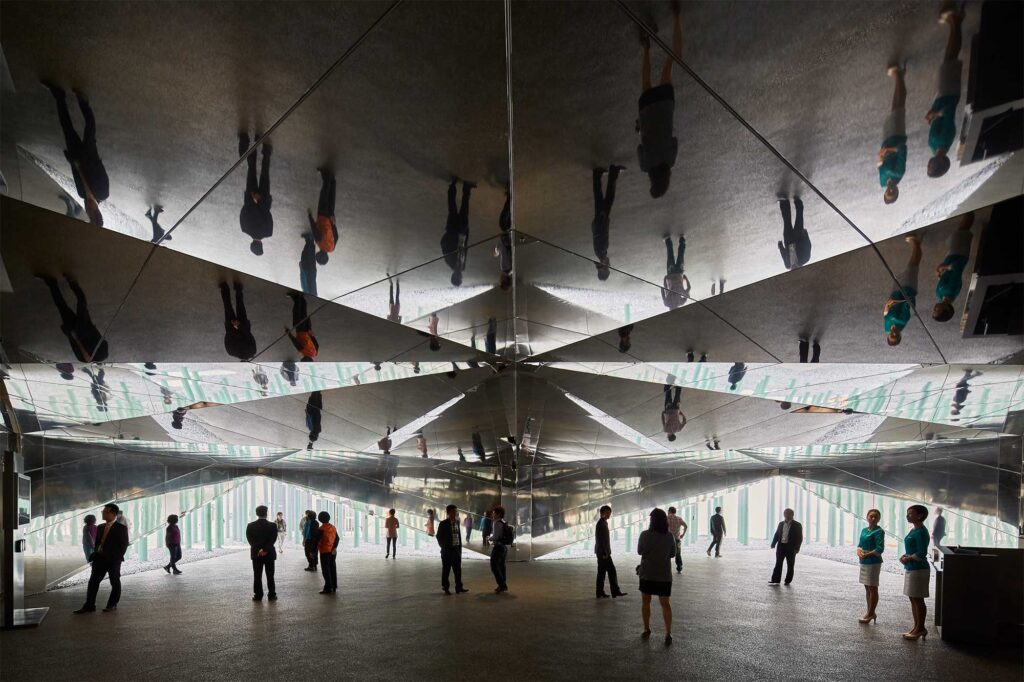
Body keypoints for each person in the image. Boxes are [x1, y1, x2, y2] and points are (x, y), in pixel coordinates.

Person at [42, 84, 108, 226]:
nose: (87, 211)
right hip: (90, 155)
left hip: (77, 156)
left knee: (66, 126)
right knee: (89, 127)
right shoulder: (102, 193)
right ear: (95, 213)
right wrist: (86, 159)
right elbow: (100, 170)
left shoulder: (82, 194)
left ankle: (59, 96)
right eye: (90, 215)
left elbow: (76, 173)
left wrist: (72, 161)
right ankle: (83, 102)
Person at [636, 5, 682, 199]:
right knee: (646, 80)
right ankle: (646, 47)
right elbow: (640, 147)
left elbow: (674, 140)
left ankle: (677, 16)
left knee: (671, 62)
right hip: (646, 110)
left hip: (664, 106)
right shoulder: (645, 165)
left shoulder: (670, 161)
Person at [926, 6, 964, 179]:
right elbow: (948, 112)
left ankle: (954, 23)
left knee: (947, 60)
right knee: (952, 59)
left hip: (941, 97)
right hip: (950, 94)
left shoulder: (935, 148)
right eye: (932, 167)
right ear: (941, 164)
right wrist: (936, 113)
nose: (929, 164)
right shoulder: (947, 139)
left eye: (928, 168)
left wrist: (932, 117)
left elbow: (938, 120)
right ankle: (955, 22)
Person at [74, 503, 129, 613]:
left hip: (113, 560)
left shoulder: (121, 528)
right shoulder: (100, 527)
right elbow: (98, 543)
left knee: (115, 582)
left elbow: (123, 545)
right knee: (93, 582)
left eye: (106, 512)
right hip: (99, 559)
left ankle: (112, 604)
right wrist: (95, 555)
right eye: (102, 512)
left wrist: (115, 558)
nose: (103, 513)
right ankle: (89, 605)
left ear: (113, 513)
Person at [39, 275, 109, 362]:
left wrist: (73, 336)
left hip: (77, 329)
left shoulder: (86, 359)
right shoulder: (101, 355)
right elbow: (102, 340)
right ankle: (71, 284)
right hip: (83, 328)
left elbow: (76, 345)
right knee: (78, 304)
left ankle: (53, 283)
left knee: (64, 305)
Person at [637, 508, 676, 646]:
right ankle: (668, 633)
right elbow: (672, 554)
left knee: (646, 602)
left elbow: (639, 551)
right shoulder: (669, 536)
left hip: (647, 573)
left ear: (652, 520)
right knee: (665, 604)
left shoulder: (644, 534)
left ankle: (647, 629)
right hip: (664, 575)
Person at [933, 212, 974, 322]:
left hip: (950, 257)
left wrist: (939, 274)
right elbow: (956, 268)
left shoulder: (940, 295)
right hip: (959, 256)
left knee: (960, 232)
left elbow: (943, 279)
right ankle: (971, 210)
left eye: (934, 311)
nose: (934, 309)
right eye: (937, 311)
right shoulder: (952, 291)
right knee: (963, 230)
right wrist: (944, 267)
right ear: (946, 309)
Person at [884, 235, 923, 346]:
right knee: (913, 266)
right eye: (896, 336)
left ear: (888, 335)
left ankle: (916, 245)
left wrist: (886, 306)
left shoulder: (887, 328)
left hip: (895, 292)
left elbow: (886, 315)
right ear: (900, 336)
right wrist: (896, 302)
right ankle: (916, 243)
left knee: (907, 269)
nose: (893, 334)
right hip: (908, 289)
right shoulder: (903, 321)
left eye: (891, 336)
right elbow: (910, 303)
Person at [238, 132, 273, 255]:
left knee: (265, 173)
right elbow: (243, 211)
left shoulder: (268, 232)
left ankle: (266, 149)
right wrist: (252, 200)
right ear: (252, 244)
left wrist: (260, 201)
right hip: (250, 196)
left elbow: (268, 214)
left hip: (264, 199)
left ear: (261, 245)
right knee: (251, 169)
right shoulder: (244, 228)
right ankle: (252, 144)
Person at [900, 505, 931, 640]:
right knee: (912, 597)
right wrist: (905, 556)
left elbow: (922, 553)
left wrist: (909, 558)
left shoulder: (921, 532)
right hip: (911, 568)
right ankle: (917, 627)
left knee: (918, 599)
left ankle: (920, 628)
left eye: (910, 514)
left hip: (919, 569)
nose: (907, 516)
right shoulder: (914, 530)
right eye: (907, 513)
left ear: (919, 515)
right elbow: (912, 550)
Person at [878, 63, 908, 204]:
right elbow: (903, 148)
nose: (890, 191)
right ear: (897, 191)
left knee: (894, 108)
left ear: (884, 192)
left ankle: (899, 77)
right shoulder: (899, 173)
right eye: (893, 193)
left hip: (886, 140)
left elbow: (880, 165)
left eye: (888, 194)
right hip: (897, 136)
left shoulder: (882, 182)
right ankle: (899, 75)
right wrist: (889, 150)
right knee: (899, 107)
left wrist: (880, 157)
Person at [592, 165, 626, 280]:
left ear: (603, 268)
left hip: (601, 219)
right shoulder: (601, 253)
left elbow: (599, 233)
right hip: (600, 219)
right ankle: (599, 174)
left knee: (608, 196)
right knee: (600, 197)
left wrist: (602, 218)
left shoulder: (601, 251)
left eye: (607, 268)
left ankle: (611, 172)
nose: (609, 265)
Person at [441, 179, 475, 286]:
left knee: (453, 207)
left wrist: (450, 233)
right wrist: (466, 234)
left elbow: (443, 243)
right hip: (462, 232)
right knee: (465, 208)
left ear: (454, 276)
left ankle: (452, 186)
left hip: (453, 229)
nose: (461, 276)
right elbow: (465, 249)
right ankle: (466, 188)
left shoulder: (449, 261)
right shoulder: (462, 266)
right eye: (461, 278)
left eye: (459, 278)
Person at [856, 508, 885, 624]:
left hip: (873, 562)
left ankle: (871, 612)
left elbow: (880, 548)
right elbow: (859, 545)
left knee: (873, 587)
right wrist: (859, 551)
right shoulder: (864, 530)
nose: (873, 518)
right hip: (864, 561)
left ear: (879, 519)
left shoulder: (879, 531)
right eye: (871, 516)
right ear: (867, 516)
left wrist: (867, 554)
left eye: (875, 517)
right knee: (867, 587)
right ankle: (869, 611)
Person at [246, 505, 278, 602]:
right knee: (270, 575)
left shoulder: (250, 526)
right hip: (269, 554)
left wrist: (259, 550)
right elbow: (273, 539)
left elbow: (250, 540)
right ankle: (271, 595)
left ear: (256, 514)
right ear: (266, 513)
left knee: (257, 575)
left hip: (256, 555)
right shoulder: (273, 525)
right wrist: (265, 550)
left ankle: (258, 595)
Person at [219, 281, 257, 361]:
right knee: (227, 307)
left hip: (243, 325)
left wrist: (239, 326)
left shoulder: (253, 352)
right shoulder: (231, 352)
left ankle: (238, 288)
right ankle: (224, 287)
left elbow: (249, 335)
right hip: (232, 326)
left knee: (240, 305)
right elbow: (227, 338)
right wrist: (235, 327)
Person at [595, 505, 627, 598]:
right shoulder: (601, 523)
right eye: (608, 512)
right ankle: (613, 591)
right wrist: (605, 553)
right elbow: (601, 540)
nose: (609, 514)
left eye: (610, 513)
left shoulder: (603, 522)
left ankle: (601, 592)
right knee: (609, 572)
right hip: (603, 553)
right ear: (603, 513)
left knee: (604, 572)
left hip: (602, 552)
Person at [437, 505, 468, 595]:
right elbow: (439, 536)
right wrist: (444, 546)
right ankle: (446, 588)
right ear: (448, 513)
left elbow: (458, 536)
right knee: (446, 570)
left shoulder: (457, 522)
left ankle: (459, 587)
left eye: (456, 512)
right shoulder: (443, 523)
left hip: (456, 550)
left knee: (458, 570)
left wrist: (459, 549)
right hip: (447, 551)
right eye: (454, 511)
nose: (455, 513)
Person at [308, 168, 338, 264]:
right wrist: (309, 216)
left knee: (331, 198)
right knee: (324, 194)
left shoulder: (332, 248)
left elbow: (336, 236)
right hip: (322, 215)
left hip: (330, 218)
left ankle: (332, 178)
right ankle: (326, 174)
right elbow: (314, 229)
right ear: (319, 254)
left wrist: (333, 224)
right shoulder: (319, 242)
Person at [769, 508, 803, 585]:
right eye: (785, 514)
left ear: (792, 515)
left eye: (788, 514)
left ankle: (788, 580)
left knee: (790, 565)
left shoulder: (797, 525)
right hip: (781, 547)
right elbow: (777, 534)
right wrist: (773, 543)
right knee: (778, 563)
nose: (786, 515)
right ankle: (775, 580)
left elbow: (799, 538)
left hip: (791, 548)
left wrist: (797, 548)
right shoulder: (781, 524)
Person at [777, 197, 811, 269]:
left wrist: (780, 246)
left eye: (791, 270)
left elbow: (783, 255)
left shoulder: (787, 265)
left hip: (788, 240)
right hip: (798, 237)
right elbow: (808, 246)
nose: (792, 269)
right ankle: (798, 202)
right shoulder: (805, 259)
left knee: (786, 221)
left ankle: (784, 203)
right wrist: (806, 235)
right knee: (799, 218)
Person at [285, 291, 319, 361]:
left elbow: (317, 345)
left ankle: (302, 298)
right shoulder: (303, 351)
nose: (301, 358)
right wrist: (288, 332)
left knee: (304, 313)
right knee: (297, 313)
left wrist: (312, 336)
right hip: (300, 330)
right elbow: (295, 341)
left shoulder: (315, 353)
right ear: (305, 358)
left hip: (308, 329)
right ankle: (296, 297)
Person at [662, 235, 690, 310]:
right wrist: (665, 279)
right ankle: (668, 240)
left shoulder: (681, 302)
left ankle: (682, 240)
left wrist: (685, 278)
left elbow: (689, 288)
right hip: (670, 275)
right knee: (670, 256)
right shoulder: (666, 303)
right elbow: (663, 289)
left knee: (681, 256)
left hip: (679, 274)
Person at [316, 511, 339, 594]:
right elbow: (337, 538)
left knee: (326, 570)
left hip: (324, 551)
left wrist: (312, 551)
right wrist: (334, 548)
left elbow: (317, 541)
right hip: (333, 552)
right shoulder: (333, 527)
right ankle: (334, 586)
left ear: (320, 519)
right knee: (333, 568)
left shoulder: (321, 529)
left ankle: (328, 588)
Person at [488, 505, 510, 593]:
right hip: (504, 547)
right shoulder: (503, 522)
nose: (493, 515)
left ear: (498, 514)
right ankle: (502, 585)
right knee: (501, 566)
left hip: (498, 547)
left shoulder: (497, 523)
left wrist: (489, 538)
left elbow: (496, 537)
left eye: (494, 513)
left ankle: (502, 585)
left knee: (494, 566)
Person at [666, 506, 688, 573]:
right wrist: (683, 534)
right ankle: (679, 567)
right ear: (675, 512)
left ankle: (666, 568)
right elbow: (686, 526)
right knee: (678, 554)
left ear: (669, 511)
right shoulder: (679, 518)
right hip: (676, 539)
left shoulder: (666, 518)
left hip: (668, 539)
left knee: (666, 554)